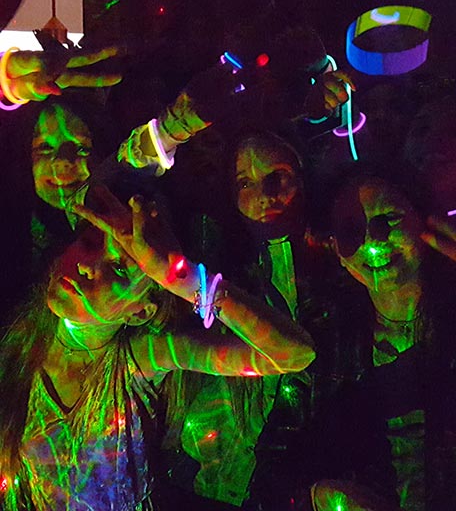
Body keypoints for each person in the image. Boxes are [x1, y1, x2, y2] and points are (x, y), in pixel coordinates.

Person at [0, 182, 315, 510]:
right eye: (89, 243)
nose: (87, 266)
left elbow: (294, 354)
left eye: (119, 268)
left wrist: (182, 277)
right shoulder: (17, 345)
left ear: (140, 311)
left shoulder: (142, 359)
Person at [163, 130, 370, 510]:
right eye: (245, 183)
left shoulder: (344, 272)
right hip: (206, 484)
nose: (265, 194)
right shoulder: (216, 267)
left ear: (305, 179)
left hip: (306, 487)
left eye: (278, 176)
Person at [329, 166, 456, 511]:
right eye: (352, 230)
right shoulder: (334, 347)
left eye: (388, 219)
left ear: (421, 221)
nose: (373, 240)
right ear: (336, 250)